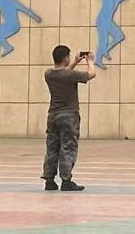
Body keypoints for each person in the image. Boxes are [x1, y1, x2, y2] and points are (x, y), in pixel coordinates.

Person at [42, 45, 96, 191]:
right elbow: (91, 74)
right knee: (68, 147)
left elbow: (64, 74)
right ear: (65, 58)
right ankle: (66, 180)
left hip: (53, 116)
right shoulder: (70, 75)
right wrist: (90, 61)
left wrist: (75, 62)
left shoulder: (48, 74)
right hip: (69, 116)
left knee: (52, 148)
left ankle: (49, 180)